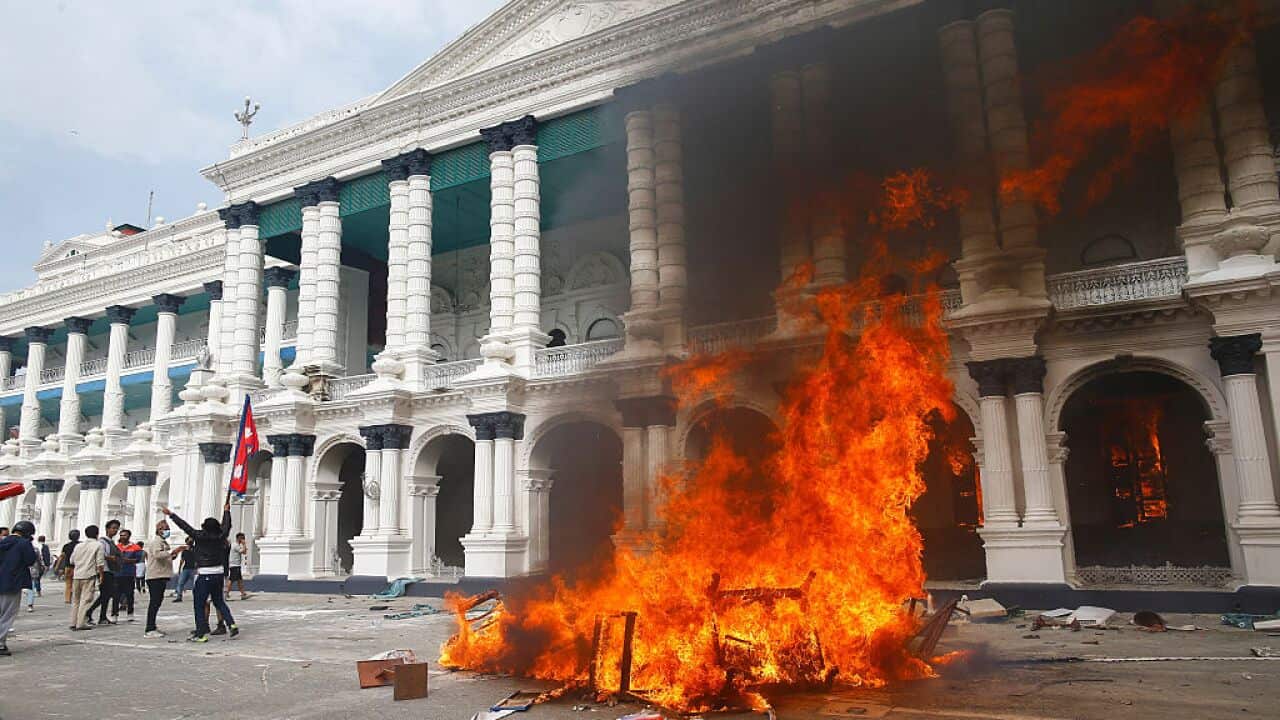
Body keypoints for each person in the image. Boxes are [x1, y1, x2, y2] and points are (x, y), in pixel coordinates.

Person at [161, 503, 238, 642]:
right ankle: (231, 623)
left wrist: (171, 515)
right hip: (219, 572)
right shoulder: (221, 536)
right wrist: (227, 512)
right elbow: (227, 526)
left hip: (205, 573)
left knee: (199, 603)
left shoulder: (198, 536)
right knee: (219, 601)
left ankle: (201, 633)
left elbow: (184, 526)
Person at [0, 520, 38, 656]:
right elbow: (30, 560)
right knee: (7, 613)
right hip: (12, 582)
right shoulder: (23, 543)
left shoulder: (3, 541)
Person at [142, 519, 180, 638]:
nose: (167, 531)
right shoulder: (156, 542)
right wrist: (172, 552)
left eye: (168, 528)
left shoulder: (163, 542)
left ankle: (152, 625)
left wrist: (173, 555)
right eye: (165, 529)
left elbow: (165, 557)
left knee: (157, 601)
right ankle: (149, 628)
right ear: (159, 530)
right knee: (155, 602)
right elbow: (158, 555)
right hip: (155, 576)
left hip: (161, 575)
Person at [85, 519, 122, 626]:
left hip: (109, 570)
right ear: (107, 529)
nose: (115, 530)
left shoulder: (110, 542)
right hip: (104, 570)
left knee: (106, 595)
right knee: (106, 594)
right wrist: (112, 558)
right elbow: (102, 555)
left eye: (116, 528)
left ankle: (101, 616)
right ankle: (90, 612)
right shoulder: (102, 542)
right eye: (113, 528)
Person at [68, 525, 105, 631]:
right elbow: (100, 563)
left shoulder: (79, 546)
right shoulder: (98, 545)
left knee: (75, 600)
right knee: (86, 599)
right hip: (89, 575)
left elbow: (72, 561)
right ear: (97, 534)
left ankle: (73, 622)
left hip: (77, 575)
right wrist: (101, 576)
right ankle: (81, 622)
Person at [114, 529, 142, 622]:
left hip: (129, 573)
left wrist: (127, 561)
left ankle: (130, 613)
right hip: (117, 574)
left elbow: (138, 559)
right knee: (116, 595)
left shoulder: (135, 547)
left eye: (124, 535)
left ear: (129, 536)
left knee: (130, 594)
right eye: (121, 535)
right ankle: (114, 613)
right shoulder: (116, 547)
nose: (122, 537)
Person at [55, 530, 80, 604]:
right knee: (77, 584)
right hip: (78, 567)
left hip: (68, 567)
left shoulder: (66, 546)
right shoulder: (80, 545)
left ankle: (67, 599)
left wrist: (57, 566)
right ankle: (76, 598)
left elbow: (61, 557)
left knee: (68, 584)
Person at [23, 540, 46, 612]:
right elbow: (39, 560)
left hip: (23, 571)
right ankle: (30, 605)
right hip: (34, 570)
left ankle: (29, 603)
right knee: (31, 587)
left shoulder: (20, 549)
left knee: (30, 588)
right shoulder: (35, 549)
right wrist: (42, 566)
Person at [172, 537, 195, 602]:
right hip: (186, 568)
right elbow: (182, 560)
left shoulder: (196, 549)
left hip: (193, 569)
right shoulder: (184, 551)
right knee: (180, 583)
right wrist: (179, 569)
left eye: (191, 540)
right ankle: (179, 597)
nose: (191, 541)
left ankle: (196, 596)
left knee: (195, 584)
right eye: (189, 540)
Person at [227, 532, 248, 600]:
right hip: (234, 565)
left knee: (239, 580)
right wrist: (244, 544)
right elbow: (244, 552)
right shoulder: (235, 545)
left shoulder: (236, 545)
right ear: (239, 538)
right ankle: (226, 593)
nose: (243, 540)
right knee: (231, 580)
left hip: (236, 565)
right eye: (242, 538)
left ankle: (242, 593)